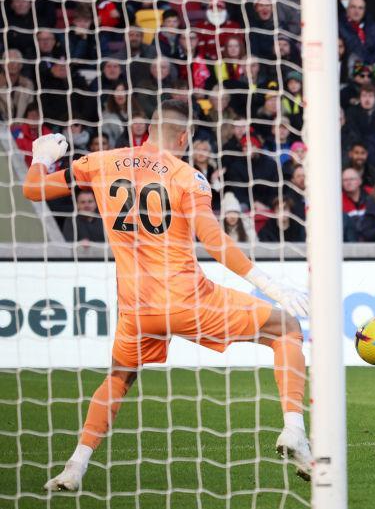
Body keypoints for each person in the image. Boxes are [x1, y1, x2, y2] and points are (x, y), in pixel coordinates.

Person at [26, 100, 312, 490]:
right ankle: (294, 429)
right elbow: (213, 239)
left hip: (137, 309)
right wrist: (272, 286)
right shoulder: (187, 177)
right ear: (182, 137)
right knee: (287, 328)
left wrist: (41, 158)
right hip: (188, 300)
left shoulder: (100, 161)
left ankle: (75, 466)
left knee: (118, 378)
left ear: (146, 131)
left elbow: (33, 189)